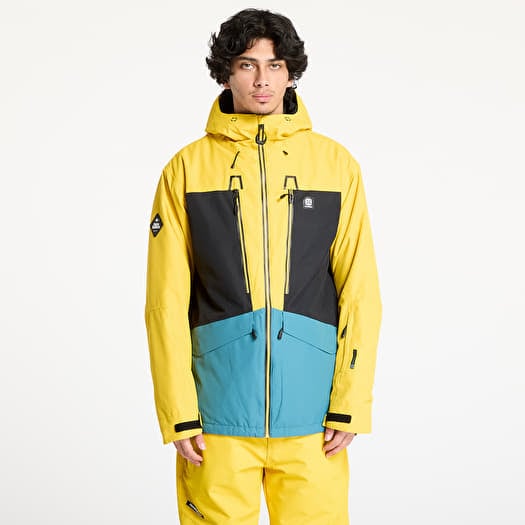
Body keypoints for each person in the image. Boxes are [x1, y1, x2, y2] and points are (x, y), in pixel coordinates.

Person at [145, 8, 382, 524]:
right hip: (216, 416)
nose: (262, 80)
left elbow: (360, 291)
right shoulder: (186, 169)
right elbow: (165, 301)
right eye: (248, 65)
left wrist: (350, 401)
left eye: (275, 66)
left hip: (313, 418)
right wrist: (179, 412)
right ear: (225, 72)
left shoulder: (335, 165)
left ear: (290, 72)